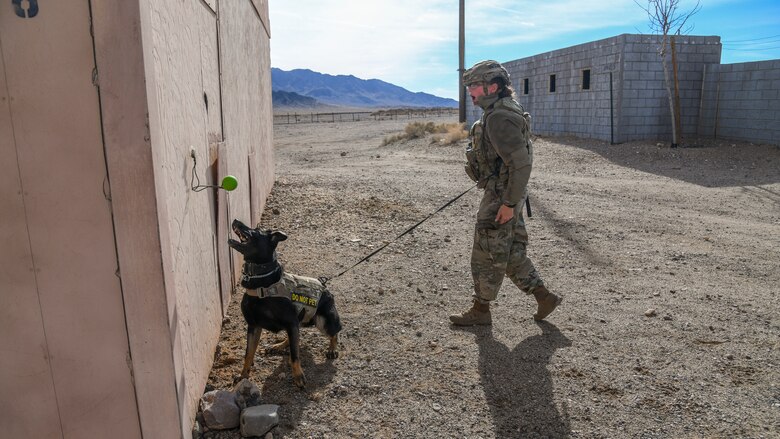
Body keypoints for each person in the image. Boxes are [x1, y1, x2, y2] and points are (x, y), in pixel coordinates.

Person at [450, 60, 561, 326]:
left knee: (486, 251)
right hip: (507, 191)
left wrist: (508, 203)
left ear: (493, 87)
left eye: (475, 86)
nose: (470, 92)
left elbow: (520, 163)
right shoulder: (502, 110)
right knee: (508, 250)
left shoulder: (499, 117)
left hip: (503, 194)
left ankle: (481, 310)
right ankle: (544, 297)